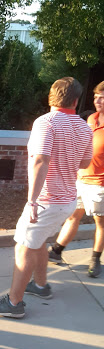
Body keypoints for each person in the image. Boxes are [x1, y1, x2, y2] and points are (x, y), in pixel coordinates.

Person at [0, 77, 93, 319]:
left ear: (51, 97)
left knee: (24, 246)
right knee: (38, 240)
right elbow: (85, 163)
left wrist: (32, 200)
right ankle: (41, 286)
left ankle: (14, 303)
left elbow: (40, 160)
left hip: (46, 201)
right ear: (76, 101)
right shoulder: (85, 127)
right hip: (67, 200)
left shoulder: (46, 123)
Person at [49, 81, 104, 277]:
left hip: (100, 185)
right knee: (74, 216)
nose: (98, 100)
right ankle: (56, 251)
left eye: (103, 97)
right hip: (81, 180)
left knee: (101, 223)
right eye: (96, 96)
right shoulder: (89, 118)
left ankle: (95, 260)